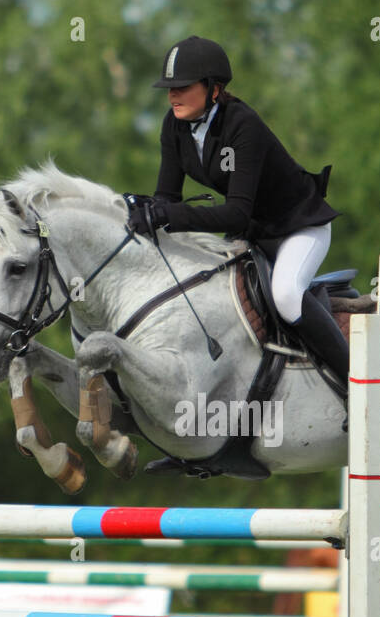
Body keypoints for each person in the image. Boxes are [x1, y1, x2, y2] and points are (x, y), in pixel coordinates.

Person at [128, 35, 350, 385]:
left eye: (183, 86)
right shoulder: (174, 126)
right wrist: (143, 208)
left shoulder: (242, 125)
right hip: (253, 234)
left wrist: (169, 215)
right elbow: (167, 197)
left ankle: (356, 385)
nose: (172, 94)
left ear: (213, 89)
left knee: (288, 296)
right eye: (170, 87)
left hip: (297, 228)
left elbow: (235, 215)